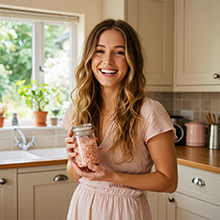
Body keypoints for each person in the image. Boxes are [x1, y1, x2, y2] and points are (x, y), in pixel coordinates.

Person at [61, 19, 178, 220]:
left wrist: (113, 177)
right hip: (84, 205)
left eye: (119, 52)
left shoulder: (149, 112)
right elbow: (76, 176)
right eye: (100, 51)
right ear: (90, 57)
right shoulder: (79, 108)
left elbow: (169, 182)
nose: (108, 60)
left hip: (125, 211)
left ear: (132, 59)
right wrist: (73, 162)